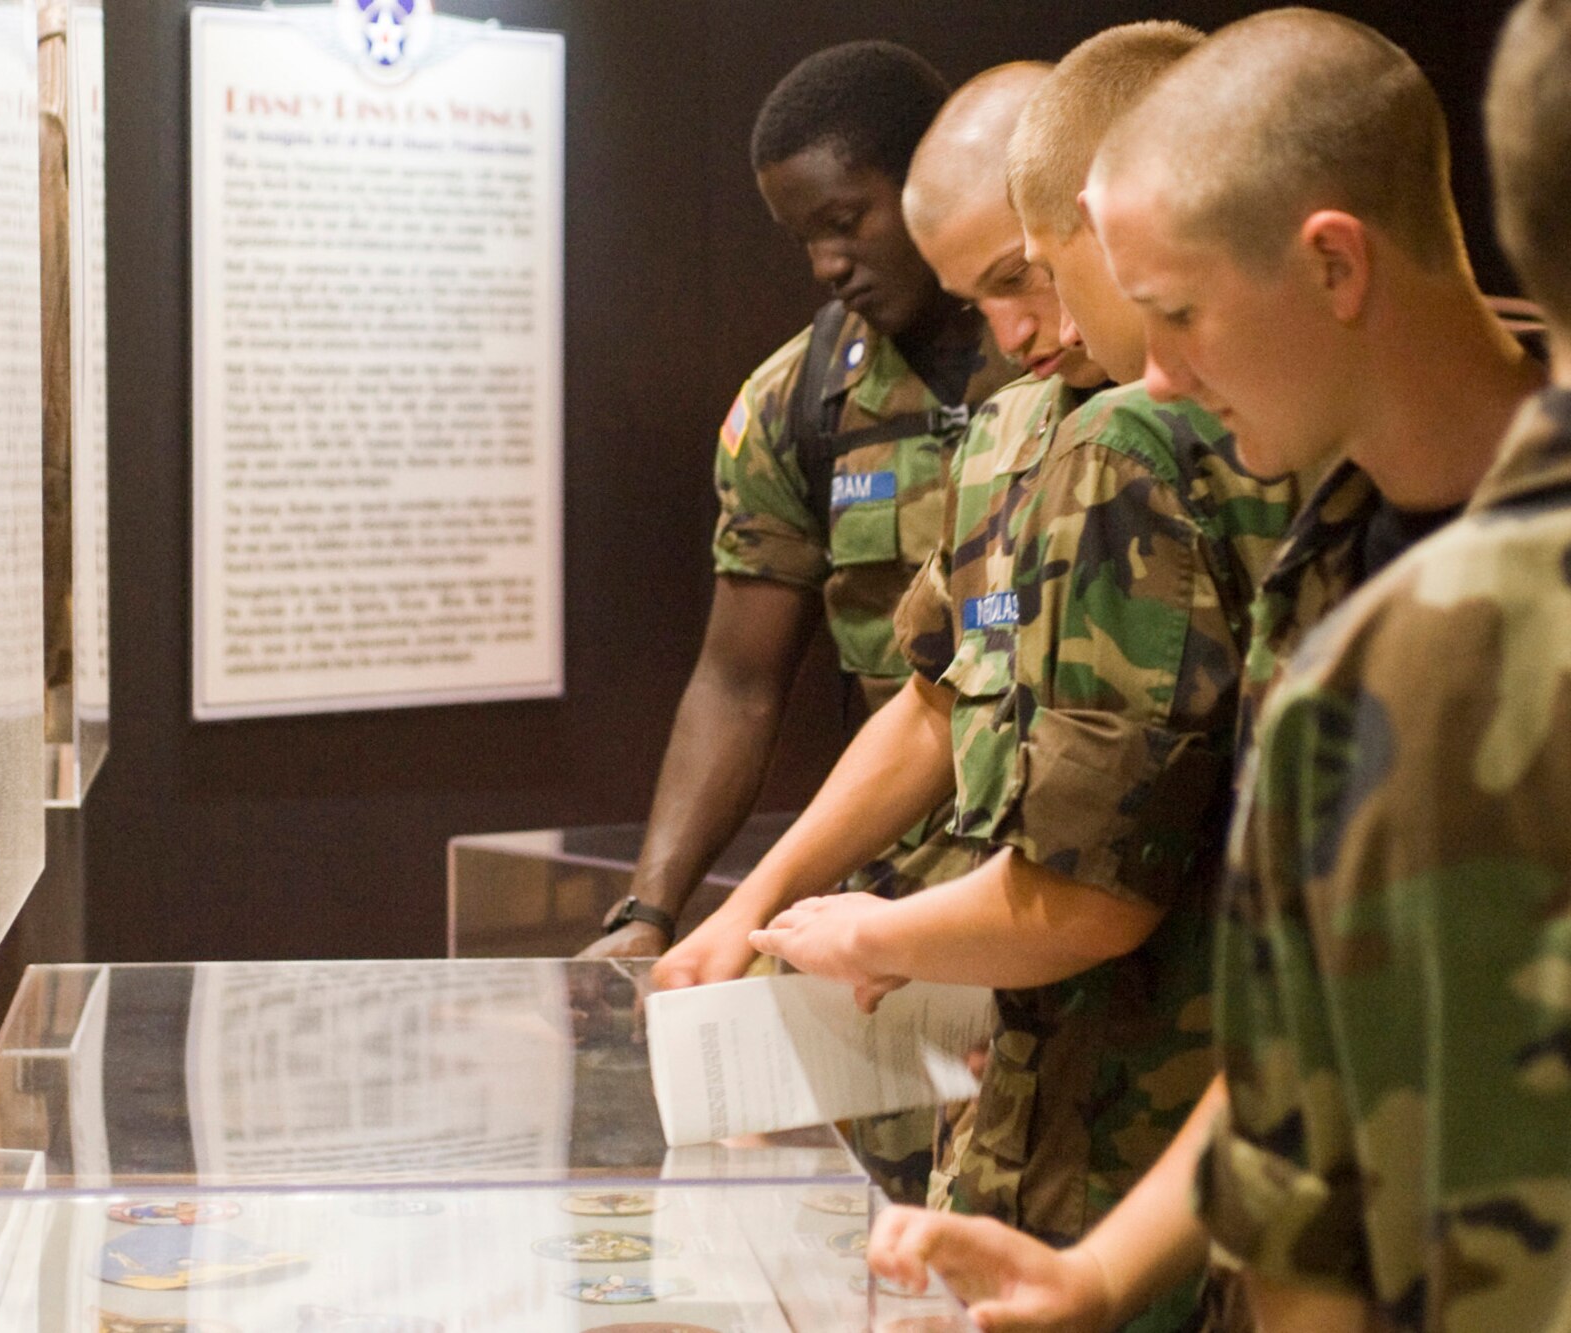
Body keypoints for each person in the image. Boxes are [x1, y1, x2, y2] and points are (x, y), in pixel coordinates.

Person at [867, 11, 1551, 1331]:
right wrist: (1101, 1272)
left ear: (1333, 265)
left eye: (1178, 314)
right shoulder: (1323, 561)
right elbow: (1307, 1031)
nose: (1153, 374)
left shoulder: (1495, 593)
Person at [675, 34, 1299, 1330]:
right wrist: (771, 896)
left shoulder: (1234, 436)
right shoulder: (1015, 434)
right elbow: (936, 692)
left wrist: (873, 934)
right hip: (1023, 1088)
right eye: (987, 298)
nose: (1024, 335)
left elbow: (1096, 893)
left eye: (1026, 280)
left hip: (1197, 1080)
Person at [581, 41, 1014, 961]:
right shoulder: (796, 402)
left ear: (927, 177)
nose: (826, 263)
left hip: (1057, 866)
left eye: (848, 221)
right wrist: (650, 909)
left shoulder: (1068, 354)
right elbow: (737, 680)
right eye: (806, 238)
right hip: (884, 891)